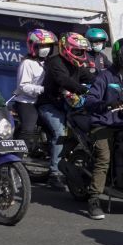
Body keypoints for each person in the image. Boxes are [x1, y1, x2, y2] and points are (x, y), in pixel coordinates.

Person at [82, 38, 123, 220]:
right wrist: (108, 104)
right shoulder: (104, 76)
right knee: (104, 158)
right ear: (119, 57)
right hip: (102, 123)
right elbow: (90, 101)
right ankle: (94, 199)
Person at [39, 32, 95, 189]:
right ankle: (54, 173)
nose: (80, 54)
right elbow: (64, 80)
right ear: (66, 48)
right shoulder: (55, 62)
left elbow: (91, 78)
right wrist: (81, 90)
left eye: (82, 52)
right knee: (61, 132)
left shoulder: (76, 64)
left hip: (69, 104)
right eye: (77, 51)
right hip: (50, 104)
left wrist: (104, 83)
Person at [8, 26, 56, 143]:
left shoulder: (50, 62)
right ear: (33, 46)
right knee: (28, 129)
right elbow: (23, 86)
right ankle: (17, 157)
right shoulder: (27, 63)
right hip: (27, 102)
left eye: (48, 46)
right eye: (42, 46)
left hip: (43, 101)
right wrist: (42, 89)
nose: (46, 49)